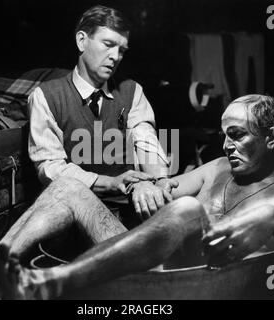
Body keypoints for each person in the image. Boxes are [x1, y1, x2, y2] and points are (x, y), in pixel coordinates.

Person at [0, 94, 274, 299]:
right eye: (223, 134)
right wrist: (147, 185)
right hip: (151, 271)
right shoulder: (218, 169)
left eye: (237, 135)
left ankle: (49, 283)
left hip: (210, 287)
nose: (225, 145)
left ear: (271, 138)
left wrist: (273, 218)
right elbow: (168, 187)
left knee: (186, 210)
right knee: (69, 186)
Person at [27, 5, 171, 223]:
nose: (115, 57)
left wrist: (159, 180)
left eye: (122, 50)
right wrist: (109, 182)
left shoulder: (131, 91)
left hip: (131, 208)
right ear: (82, 41)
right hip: (75, 215)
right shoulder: (46, 96)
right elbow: (51, 167)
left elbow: (145, 139)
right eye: (108, 45)